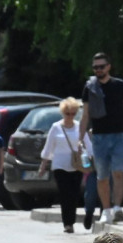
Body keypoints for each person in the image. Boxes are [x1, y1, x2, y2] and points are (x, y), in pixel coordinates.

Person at [80, 52, 123, 225]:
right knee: (102, 176)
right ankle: (106, 210)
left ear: (108, 67)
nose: (98, 70)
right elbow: (85, 115)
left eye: (101, 66)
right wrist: (80, 138)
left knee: (119, 172)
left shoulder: (119, 85)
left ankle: (117, 206)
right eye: (95, 67)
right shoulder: (90, 87)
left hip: (120, 135)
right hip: (98, 137)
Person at [40, 97, 93, 234]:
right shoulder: (56, 127)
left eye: (73, 113)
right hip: (59, 165)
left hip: (76, 165)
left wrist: (93, 160)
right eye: (67, 113)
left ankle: (71, 220)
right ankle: (67, 223)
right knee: (65, 194)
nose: (70, 116)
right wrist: (43, 165)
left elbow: (88, 144)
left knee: (74, 195)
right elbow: (48, 147)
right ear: (62, 113)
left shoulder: (79, 127)